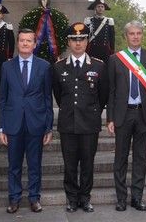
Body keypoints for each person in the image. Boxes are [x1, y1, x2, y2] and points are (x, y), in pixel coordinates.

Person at [106, 20, 146, 212]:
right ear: (125, 36)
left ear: (142, 35)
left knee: (140, 158)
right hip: (123, 115)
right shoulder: (115, 59)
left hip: (144, 116)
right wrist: (110, 118)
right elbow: (111, 92)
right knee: (120, 158)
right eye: (132, 33)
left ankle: (137, 198)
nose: (136, 36)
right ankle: (121, 198)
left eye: (139, 33)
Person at [53, 22, 109, 213]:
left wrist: (91, 112)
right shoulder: (59, 67)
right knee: (69, 165)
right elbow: (59, 95)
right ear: (68, 42)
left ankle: (85, 198)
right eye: (74, 40)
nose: (78, 43)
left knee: (87, 163)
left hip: (89, 124)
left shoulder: (99, 66)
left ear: (87, 42)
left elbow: (103, 96)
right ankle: (71, 198)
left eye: (82, 39)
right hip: (68, 123)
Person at [0, 28, 53, 214]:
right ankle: (14, 199)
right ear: (18, 42)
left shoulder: (44, 66)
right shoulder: (7, 67)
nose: (25, 43)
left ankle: (34, 198)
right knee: (13, 165)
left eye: (29, 41)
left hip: (35, 123)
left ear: (34, 44)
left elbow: (47, 98)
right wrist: (1, 127)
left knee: (34, 164)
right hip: (13, 123)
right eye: (22, 40)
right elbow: (2, 99)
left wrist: (48, 127)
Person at [84, 0, 115, 64]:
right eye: (98, 6)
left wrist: (112, 51)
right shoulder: (89, 20)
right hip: (92, 50)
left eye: (102, 7)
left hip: (105, 51)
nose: (100, 8)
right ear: (95, 8)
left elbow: (112, 39)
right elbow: (85, 37)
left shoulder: (109, 21)